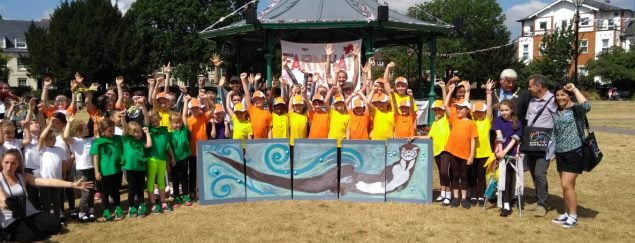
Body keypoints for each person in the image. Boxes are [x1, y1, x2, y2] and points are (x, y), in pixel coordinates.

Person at [0, 149, 92, 242]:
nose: (9, 166)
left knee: (55, 222)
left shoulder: (23, 176)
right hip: (11, 219)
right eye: (6, 162)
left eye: (13, 163)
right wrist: (3, 202)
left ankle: (35, 231)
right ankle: (11, 234)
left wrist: (72, 184)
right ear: (1, 162)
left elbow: (49, 181)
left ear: (18, 164)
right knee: (28, 236)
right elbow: (1, 194)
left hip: (30, 213)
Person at [551, 83, 590, 228]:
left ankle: (573, 215)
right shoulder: (558, 110)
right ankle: (566, 213)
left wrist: (574, 89)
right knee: (567, 186)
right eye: (557, 95)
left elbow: (587, 106)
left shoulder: (576, 109)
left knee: (566, 184)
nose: (559, 98)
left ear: (569, 96)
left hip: (574, 150)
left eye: (563, 95)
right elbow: (556, 132)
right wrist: (553, 151)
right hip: (560, 152)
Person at [524, 74, 557, 217]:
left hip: (545, 144)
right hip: (531, 142)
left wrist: (554, 148)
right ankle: (539, 200)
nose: (528, 88)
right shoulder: (532, 100)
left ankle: (543, 204)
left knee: (539, 173)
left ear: (539, 87)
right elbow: (528, 120)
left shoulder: (553, 101)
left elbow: (558, 123)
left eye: (530, 85)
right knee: (533, 172)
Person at [443, 83, 477, 209]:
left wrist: (471, 156)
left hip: (465, 154)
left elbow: (473, 140)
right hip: (453, 152)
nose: (458, 110)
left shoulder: (471, 124)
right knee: (455, 175)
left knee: (464, 176)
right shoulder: (454, 118)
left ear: (467, 110)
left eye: (461, 108)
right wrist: (450, 92)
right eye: (457, 108)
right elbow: (445, 105)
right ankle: (455, 197)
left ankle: (464, 198)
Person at [62, 115, 95, 222]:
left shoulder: (90, 139)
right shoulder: (75, 141)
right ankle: (81, 212)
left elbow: (100, 135)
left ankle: (91, 211)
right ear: (78, 131)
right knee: (85, 192)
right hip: (82, 170)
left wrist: (96, 122)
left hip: (92, 168)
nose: (88, 129)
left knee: (91, 191)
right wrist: (69, 122)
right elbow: (66, 136)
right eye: (85, 128)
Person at [492, 100, 523, 217]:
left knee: (509, 178)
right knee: (502, 178)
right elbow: (499, 135)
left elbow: (515, 139)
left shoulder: (517, 123)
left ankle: (508, 203)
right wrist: (500, 150)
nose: (503, 112)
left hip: (512, 153)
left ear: (512, 110)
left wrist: (505, 151)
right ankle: (504, 202)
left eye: (506, 110)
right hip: (501, 153)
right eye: (501, 110)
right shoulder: (497, 120)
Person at [90, 118, 124, 221]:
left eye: (113, 130)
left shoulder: (118, 139)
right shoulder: (98, 142)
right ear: (102, 131)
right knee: (104, 192)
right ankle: (106, 210)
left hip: (117, 170)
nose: (112, 132)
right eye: (109, 131)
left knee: (116, 191)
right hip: (104, 172)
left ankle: (118, 207)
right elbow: (96, 157)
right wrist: (97, 171)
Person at [468, 79, 494, 207]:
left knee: (482, 176)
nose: (478, 113)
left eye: (480, 111)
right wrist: (467, 91)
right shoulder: (471, 121)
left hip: (484, 153)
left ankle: (481, 195)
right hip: (472, 153)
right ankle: (472, 195)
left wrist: (488, 91)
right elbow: (466, 106)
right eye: (476, 111)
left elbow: (489, 107)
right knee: (472, 176)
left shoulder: (487, 121)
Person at [121, 113, 152, 218]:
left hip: (141, 168)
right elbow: (125, 128)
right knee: (131, 189)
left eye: (139, 132)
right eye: (135, 132)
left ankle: (141, 206)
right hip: (130, 168)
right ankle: (132, 207)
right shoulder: (126, 139)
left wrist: (147, 133)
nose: (138, 134)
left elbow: (149, 145)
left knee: (140, 189)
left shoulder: (142, 141)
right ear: (129, 132)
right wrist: (122, 117)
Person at [145, 110, 175, 213]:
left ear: (160, 119)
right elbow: (145, 118)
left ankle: (163, 201)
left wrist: (172, 157)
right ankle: (153, 203)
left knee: (161, 181)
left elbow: (168, 145)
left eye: (156, 121)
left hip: (163, 159)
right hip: (152, 159)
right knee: (151, 181)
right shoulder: (149, 130)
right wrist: (143, 106)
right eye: (152, 122)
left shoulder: (164, 130)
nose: (154, 123)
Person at [169, 97, 192, 207]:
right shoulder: (169, 135)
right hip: (174, 160)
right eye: (175, 123)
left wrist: (186, 102)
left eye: (179, 123)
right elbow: (169, 149)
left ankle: (186, 195)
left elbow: (184, 116)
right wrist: (172, 158)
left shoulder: (183, 130)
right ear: (171, 123)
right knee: (175, 178)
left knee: (184, 177)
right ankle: (177, 196)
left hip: (184, 157)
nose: (177, 124)